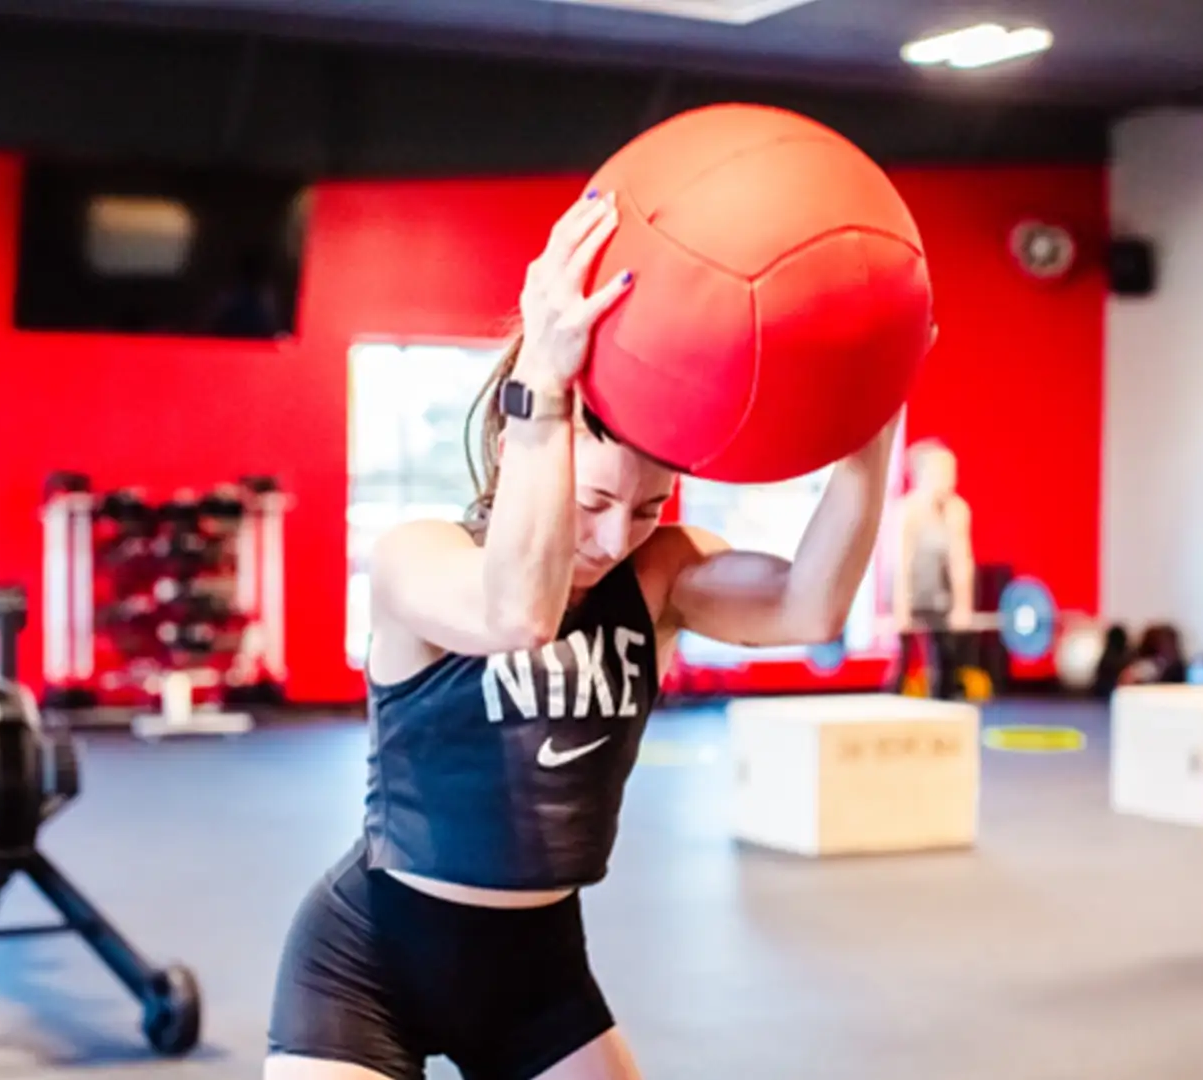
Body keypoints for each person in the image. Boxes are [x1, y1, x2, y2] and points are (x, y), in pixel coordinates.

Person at [265, 188, 917, 1080]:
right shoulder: (417, 560)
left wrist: (868, 424)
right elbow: (516, 613)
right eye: (596, 501)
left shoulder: (658, 576)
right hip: (368, 965)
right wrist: (544, 386)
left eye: (649, 508)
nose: (616, 538)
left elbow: (811, 608)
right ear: (514, 447)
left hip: (537, 976)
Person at [887, 440, 975, 699]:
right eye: (943, 473)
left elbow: (961, 562)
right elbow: (900, 563)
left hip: (940, 593)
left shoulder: (958, 510)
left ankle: (945, 704)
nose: (951, 479)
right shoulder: (907, 511)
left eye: (953, 472)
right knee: (903, 661)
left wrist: (962, 607)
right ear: (921, 475)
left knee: (947, 655)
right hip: (908, 589)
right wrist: (900, 610)